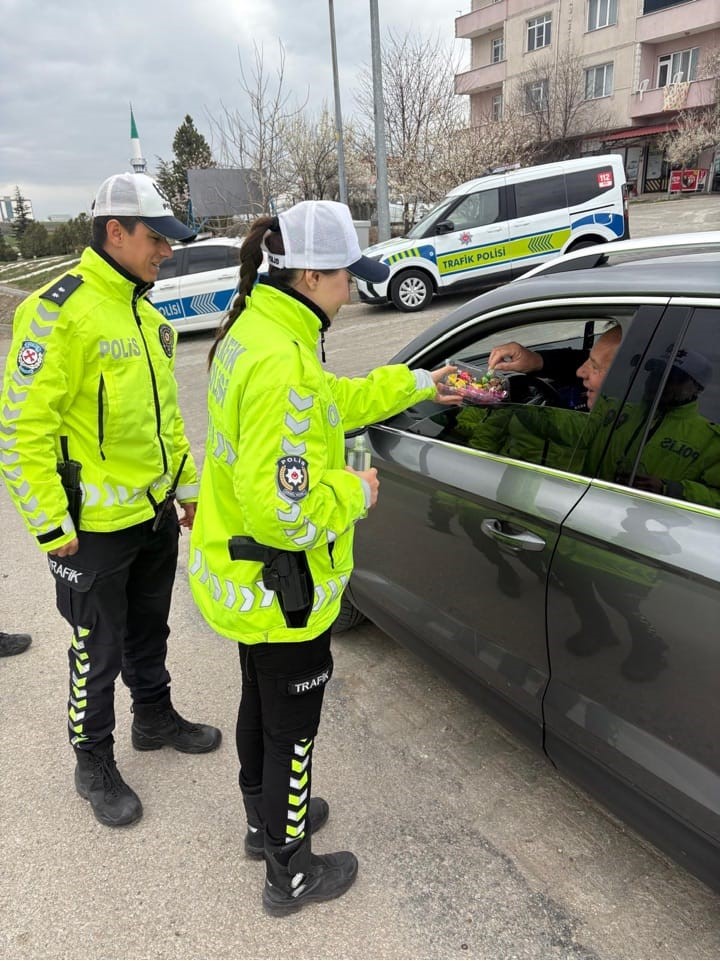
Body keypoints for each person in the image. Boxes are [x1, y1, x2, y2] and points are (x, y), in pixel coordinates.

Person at [189, 200, 460, 917]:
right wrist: (353, 489)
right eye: (348, 275)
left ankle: (265, 826)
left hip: (245, 580)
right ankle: (291, 872)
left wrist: (420, 381)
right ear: (311, 274)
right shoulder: (285, 362)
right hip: (283, 588)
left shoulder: (263, 330)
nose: (355, 288)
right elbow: (284, 508)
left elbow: (332, 401)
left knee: (262, 702)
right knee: (292, 728)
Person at [0, 172, 221, 829]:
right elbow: (21, 429)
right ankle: (91, 759)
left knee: (151, 629)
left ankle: (152, 716)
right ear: (114, 232)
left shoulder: (151, 319)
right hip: (90, 529)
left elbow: (167, 422)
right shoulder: (56, 310)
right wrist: (48, 523)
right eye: (157, 238)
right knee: (97, 649)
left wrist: (186, 491)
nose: (167, 252)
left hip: (152, 517)